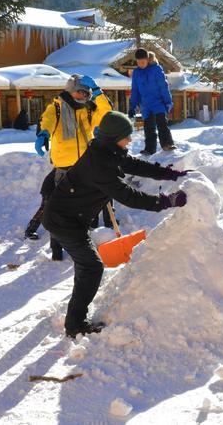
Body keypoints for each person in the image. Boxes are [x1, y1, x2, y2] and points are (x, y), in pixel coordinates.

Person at [42, 111, 190, 338]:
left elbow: (134, 164)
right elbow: (128, 196)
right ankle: (75, 325)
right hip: (65, 221)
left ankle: (75, 318)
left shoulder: (107, 150)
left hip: (71, 217)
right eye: (126, 136)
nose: (130, 140)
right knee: (91, 268)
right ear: (114, 137)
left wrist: (168, 174)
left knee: (86, 267)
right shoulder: (100, 164)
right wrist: (165, 202)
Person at [24, 74, 113, 258]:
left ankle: (82, 240)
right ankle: (56, 249)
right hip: (64, 167)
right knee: (58, 208)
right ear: (71, 91)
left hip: (85, 165)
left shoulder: (88, 109)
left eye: (88, 93)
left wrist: (98, 92)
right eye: (83, 92)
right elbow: (46, 121)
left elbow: (107, 113)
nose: (86, 97)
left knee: (83, 205)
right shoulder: (56, 107)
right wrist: (43, 134)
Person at [128, 48, 176, 155]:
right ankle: (149, 149)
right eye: (138, 62)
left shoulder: (156, 69)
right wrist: (132, 107)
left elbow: (163, 86)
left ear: (147, 59)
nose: (140, 64)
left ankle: (167, 144)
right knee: (149, 128)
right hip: (146, 105)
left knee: (161, 124)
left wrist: (168, 102)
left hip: (158, 102)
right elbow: (135, 91)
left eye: (143, 62)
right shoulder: (136, 73)